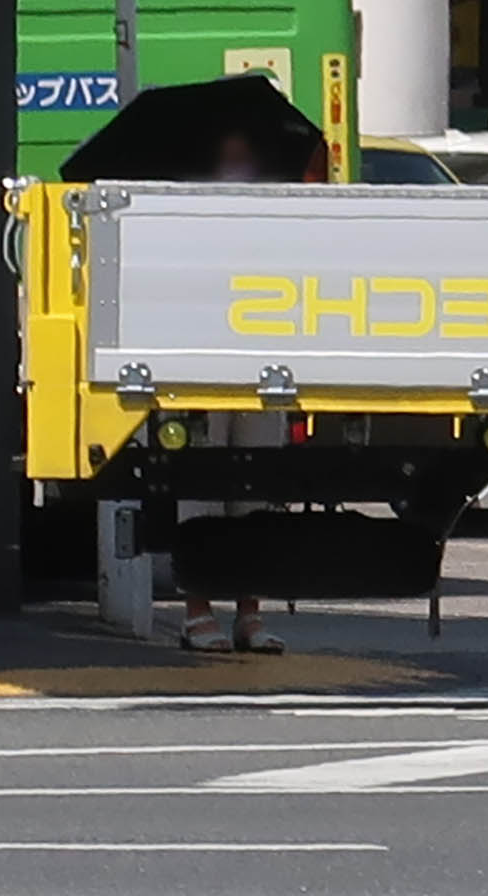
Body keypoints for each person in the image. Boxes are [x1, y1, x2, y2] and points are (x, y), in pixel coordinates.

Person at [178, 130, 298, 654]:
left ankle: (250, 612)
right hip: (202, 364)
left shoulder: (272, 213)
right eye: (227, 154)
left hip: (261, 366)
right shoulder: (186, 213)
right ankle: (197, 611)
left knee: (257, 491)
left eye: (245, 154)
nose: (237, 164)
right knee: (200, 493)